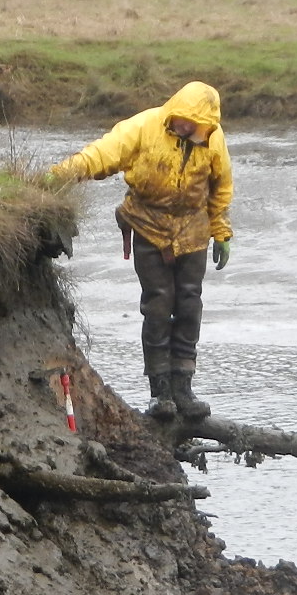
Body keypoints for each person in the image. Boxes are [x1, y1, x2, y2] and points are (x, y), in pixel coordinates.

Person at [46, 81, 232, 421]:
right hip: (147, 225)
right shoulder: (144, 127)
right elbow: (102, 154)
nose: (186, 128)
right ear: (174, 112)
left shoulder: (213, 140)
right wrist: (62, 174)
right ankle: (160, 392)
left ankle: (184, 388)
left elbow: (220, 186)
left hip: (193, 231)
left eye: (195, 125)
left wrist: (220, 232)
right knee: (158, 304)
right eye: (183, 121)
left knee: (189, 304)